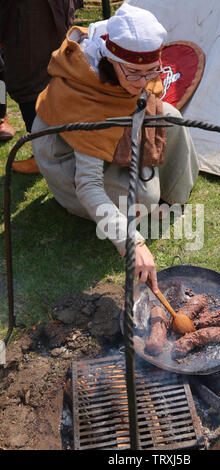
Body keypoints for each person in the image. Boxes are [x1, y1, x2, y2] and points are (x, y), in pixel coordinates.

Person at [32, 3, 199, 292]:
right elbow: (88, 185)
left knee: (170, 116)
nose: (145, 82)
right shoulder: (86, 93)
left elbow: (141, 89)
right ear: (110, 60)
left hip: (109, 126)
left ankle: (174, 198)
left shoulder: (131, 72)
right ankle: (82, 209)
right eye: (134, 73)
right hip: (66, 157)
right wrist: (131, 241)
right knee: (144, 198)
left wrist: (139, 79)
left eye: (152, 72)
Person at [0, 0, 83, 172]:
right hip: (36, 14)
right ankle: (52, 151)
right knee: (46, 73)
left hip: (31, 14)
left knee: (31, 78)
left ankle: (45, 155)